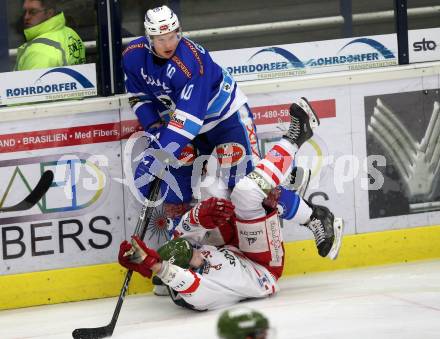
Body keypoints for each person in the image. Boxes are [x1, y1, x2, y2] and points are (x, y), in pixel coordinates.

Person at [118, 98, 344, 311]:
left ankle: (286, 196)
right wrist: (155, 266)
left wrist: (200, 216)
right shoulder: (198, 294)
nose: (199, 253)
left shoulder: (186, 256)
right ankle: (295, 142)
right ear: (187, 269)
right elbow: (181, 279)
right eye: (193, 256)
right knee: (248, 192)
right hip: (260, 264)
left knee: (211, 185)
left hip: (229, 245)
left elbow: (184, 230)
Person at [122, 5, 311, 227]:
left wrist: (158, 153)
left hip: (224, 120)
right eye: (161, 39)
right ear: (149, 37)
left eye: (173, 36)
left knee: (245, 185)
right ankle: (184, 247)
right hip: (183, 129)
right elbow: (138, 95)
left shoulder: (191, 62)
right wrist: (154, 127)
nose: (169, 44)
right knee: (175, 188)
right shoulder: (133, 56)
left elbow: (188, 123)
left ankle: (309, 212)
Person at [14, 0, 85, 71]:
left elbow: (30, 82)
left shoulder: (38, 52)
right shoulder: (70, 33)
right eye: (24, 12)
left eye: (33, 12)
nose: (26, 17)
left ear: (49, 13)